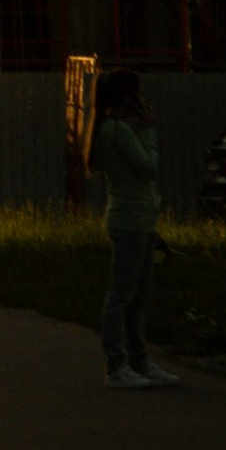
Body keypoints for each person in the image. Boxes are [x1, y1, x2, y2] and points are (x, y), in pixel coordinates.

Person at [89, 69, 177, 389]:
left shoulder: (118, 128)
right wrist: (150, 134)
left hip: (139, 219)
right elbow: (147, 167)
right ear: (127, 97)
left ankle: (139, 361)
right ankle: (116, 365)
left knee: (138, 295)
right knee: (122, 293)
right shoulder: (117, 129)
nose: (143, 99)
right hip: (128, 220)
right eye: (138, 93)